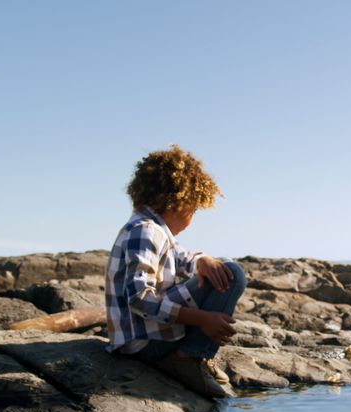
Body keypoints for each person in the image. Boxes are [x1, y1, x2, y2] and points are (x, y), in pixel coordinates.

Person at [105, 145, 247, 398]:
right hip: (144, 342)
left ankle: (192, 356)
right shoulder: (146, 231)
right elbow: (139, 298)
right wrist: (203, 320)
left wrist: (202, 260)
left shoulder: (152, 229)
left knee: (221, 265)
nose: (192, 218)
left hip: (144, 335)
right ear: (180, 202)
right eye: (193, 210)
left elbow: (183, 256)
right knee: (233, 273)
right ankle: (188, 357)